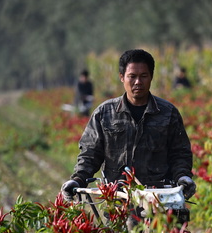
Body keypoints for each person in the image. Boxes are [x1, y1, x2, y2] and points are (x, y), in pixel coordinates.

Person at [61, 49, 195, 202]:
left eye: (143, 76)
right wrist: (78, 178)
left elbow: (180, 153)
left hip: (160, 198)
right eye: (132, 76)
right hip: (119, 199)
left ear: (151, 77)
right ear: (122, 77)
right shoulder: (104, 113)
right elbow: (90, 154)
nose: (138, 82)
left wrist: (183, 177)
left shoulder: (168, 113)